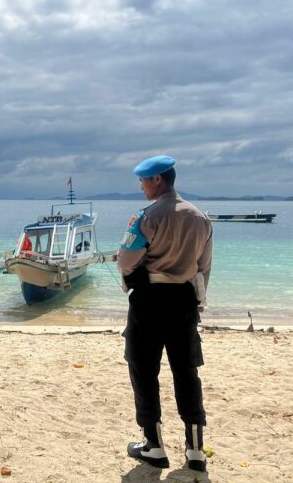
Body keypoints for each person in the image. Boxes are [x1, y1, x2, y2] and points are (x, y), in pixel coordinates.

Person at [116, 155, 213, 472]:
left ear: (157, 179)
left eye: (143, 180)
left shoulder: (147, 217)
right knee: (186, 372)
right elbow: (204, 268)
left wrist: (133, 270)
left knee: (143, 369)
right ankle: (196, 450)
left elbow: (126, 260)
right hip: (184, 300)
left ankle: (154, 446)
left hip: (149, 300)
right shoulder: (201, 218)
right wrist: (197, 302)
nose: (141, 186)